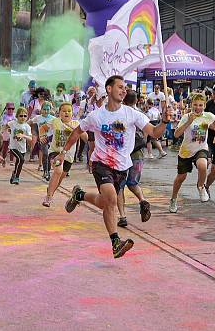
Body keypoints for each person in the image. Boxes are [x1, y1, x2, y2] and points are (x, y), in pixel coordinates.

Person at [62, 75, 169, 259]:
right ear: (109, 89)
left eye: (125, 88)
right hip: (101, 164)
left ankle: (79, 195)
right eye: (120, 87)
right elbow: (77, 131)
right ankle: (116, 242)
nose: (124, 90)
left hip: (122, 167)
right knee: (111, 198)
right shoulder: (96, 116)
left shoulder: (131, 114)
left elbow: (154, 132)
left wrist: (165, 121)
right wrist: (64, 151)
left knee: (105, 203)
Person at [170, 92, 215, 212]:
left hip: (200, 148)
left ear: (204, 106)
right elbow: (176, 134)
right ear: (191, 105)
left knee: (203, 165)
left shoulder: (208, 116)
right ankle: (173, 199)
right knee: (181, 177)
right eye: (195, 105)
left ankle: (201, 186)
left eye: (201, 105)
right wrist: (188, 122)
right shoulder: (186, 117)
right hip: (186, 151)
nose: (198, 108)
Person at [115, 92, 152, 226]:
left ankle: (122, 216)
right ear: (137, 100)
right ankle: (142, 200)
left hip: (123, 155)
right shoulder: (141, 115)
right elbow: (147, 135)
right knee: (133, 183)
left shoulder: (121, 115)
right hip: (138, 155)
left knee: (119, 186)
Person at [43, 102, 82, 207]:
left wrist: (75, 129)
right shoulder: (55, 121)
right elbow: (43, 128)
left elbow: (86, 138)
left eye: (69, 111)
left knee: (59, 179)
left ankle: (50, 190)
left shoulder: (76, 124)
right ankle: (48, 197)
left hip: (69, 157)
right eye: (64, 111)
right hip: (55, 152)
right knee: (58, 171)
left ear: (72, 113)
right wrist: (42, 136)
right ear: (59, 113)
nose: (66, 113)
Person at [6, 107, 33, 184]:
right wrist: (3, 131)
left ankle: (14, 174)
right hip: (13, 147)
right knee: (21, 160)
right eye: (21, 116)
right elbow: (5, 126)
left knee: (19, 162)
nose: (23, 118)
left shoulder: (27, 126)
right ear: (17, 116)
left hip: (22, 148)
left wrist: (23, 136)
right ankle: (17, 177)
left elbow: (30, 138)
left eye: (25, 116)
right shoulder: (13, 123)